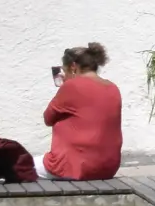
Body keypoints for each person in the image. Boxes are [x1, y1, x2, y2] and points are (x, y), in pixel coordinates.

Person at [38, 43, 122, 180]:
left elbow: (48, 118)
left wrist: (65, 86)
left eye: (65, 71)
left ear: (73, 67)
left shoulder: (71, 86)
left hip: (74, 166)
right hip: (108, 167)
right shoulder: (113, 88)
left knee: (19, 166)